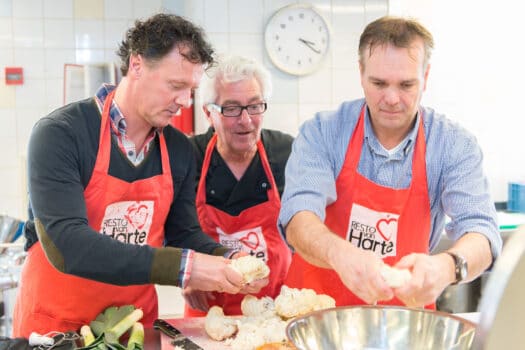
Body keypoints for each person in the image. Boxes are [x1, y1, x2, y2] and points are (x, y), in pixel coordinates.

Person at [12, 14, 266, 337]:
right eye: (175, 86)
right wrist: (187, 268)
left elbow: (184, 234)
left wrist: (229, 258)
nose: (184, 101)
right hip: (57, 330)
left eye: (191, 89)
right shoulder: (61, 135)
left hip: (134, 330)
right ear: (136, 65)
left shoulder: (177, 150)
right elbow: (67, 245)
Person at [278, 16, 502, 309]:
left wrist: (446, 268)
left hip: (401, 321)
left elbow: (482, 232)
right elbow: (298, 217)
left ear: (426, 76)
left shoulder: (453, 145)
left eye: (406, 84)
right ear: (361, 73)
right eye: (379, 83)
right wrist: (340, 254)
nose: (392, 98)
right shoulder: (323, 133)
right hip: (315, 315)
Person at [183, 55, 293, 316]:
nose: (245, 120)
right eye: (231, 109)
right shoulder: (188, 156)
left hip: (274, 309)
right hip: (209, 312)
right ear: (209, 113)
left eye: (254, 106)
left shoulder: (286, 151)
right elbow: (170, 225)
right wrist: (185, 270)